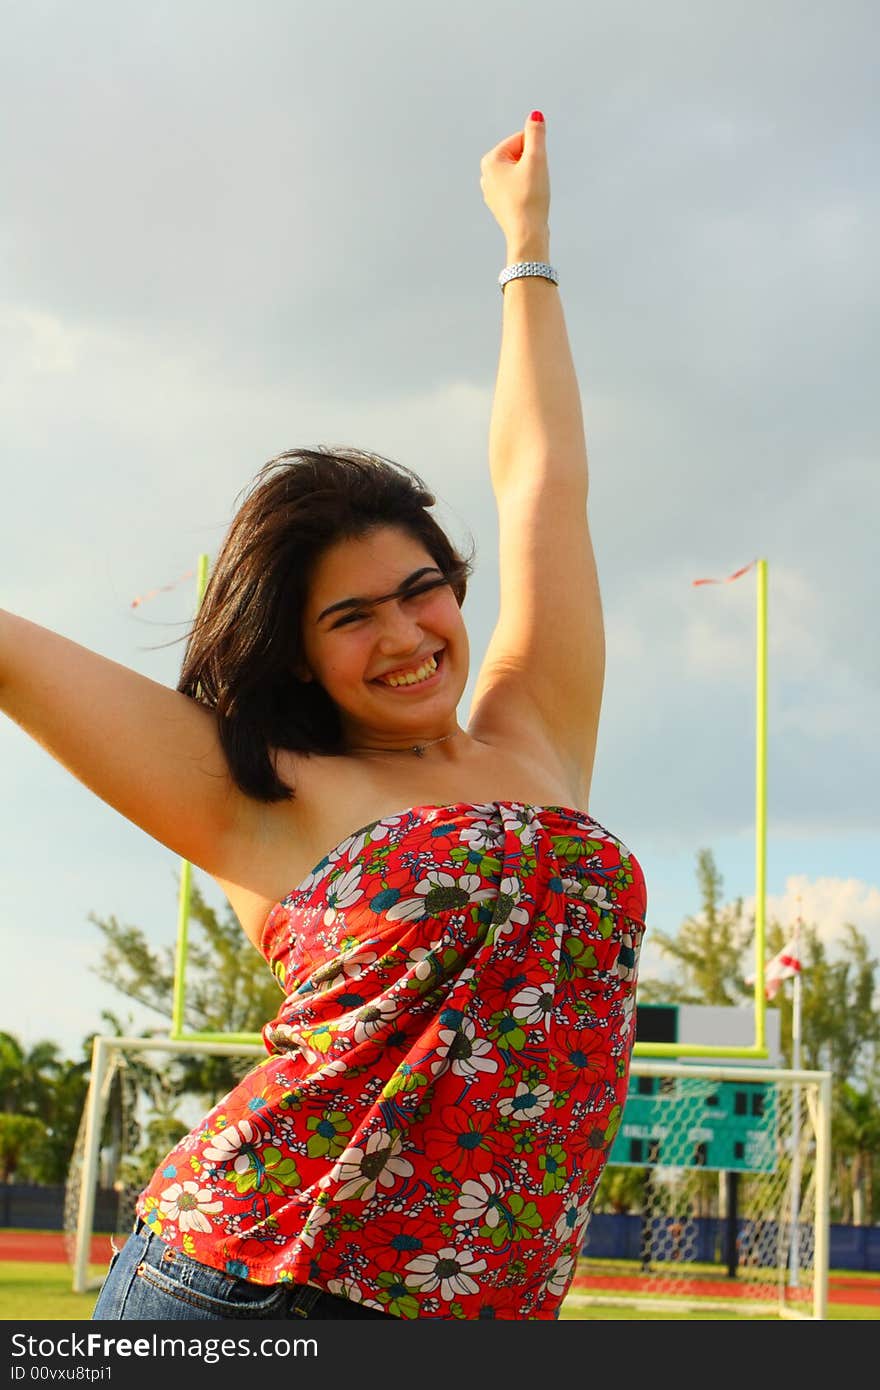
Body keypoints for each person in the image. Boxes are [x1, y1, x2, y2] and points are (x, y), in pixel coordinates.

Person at [1, 110, 646, 1320]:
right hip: (247, 1293)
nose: (405, 635)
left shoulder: (537, 733)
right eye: (352, 617)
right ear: (297, 656)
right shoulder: (266, 789)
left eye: (420, 591)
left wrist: (527, 245)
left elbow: (544, 477)